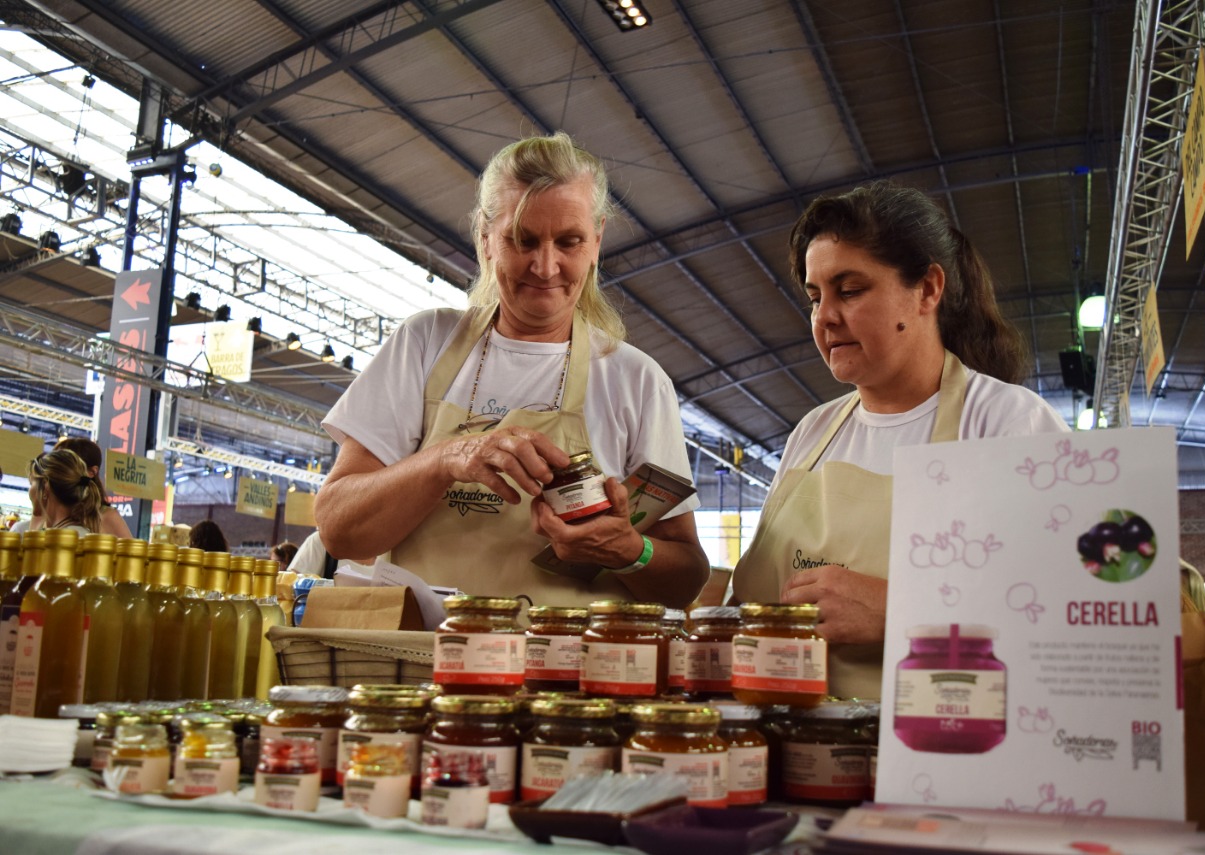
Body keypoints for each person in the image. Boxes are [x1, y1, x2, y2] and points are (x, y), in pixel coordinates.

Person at [317, 132, 708, 608]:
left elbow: (687, 581)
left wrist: (630, 550)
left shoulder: (635, 379)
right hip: (425, 663)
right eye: (522, 240)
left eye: (569, 241)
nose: (546, 267)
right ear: (485, 239)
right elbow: (339, 530)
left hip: (566, 673)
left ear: (597, 240)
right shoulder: (424, 343)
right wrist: (446, 459)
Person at [731, 180, 1070, 699]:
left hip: (943, 748)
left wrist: (902, 610)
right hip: (797, 747)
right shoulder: (814, 433)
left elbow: (1072, 617)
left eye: (850, 290)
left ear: (928, 290)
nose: (825, 317)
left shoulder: (1007, 423)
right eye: (815, 296)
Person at [53, 437, 132, 539]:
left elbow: (131, 553)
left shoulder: (107, 516)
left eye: (68, 466)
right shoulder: (54, 508)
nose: (59, 473)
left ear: (92, 472)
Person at [27, 449, 105, 535]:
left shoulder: (60, 540)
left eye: (31, 483)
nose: (29, 491)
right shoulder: (78, 534)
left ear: (45, 486)